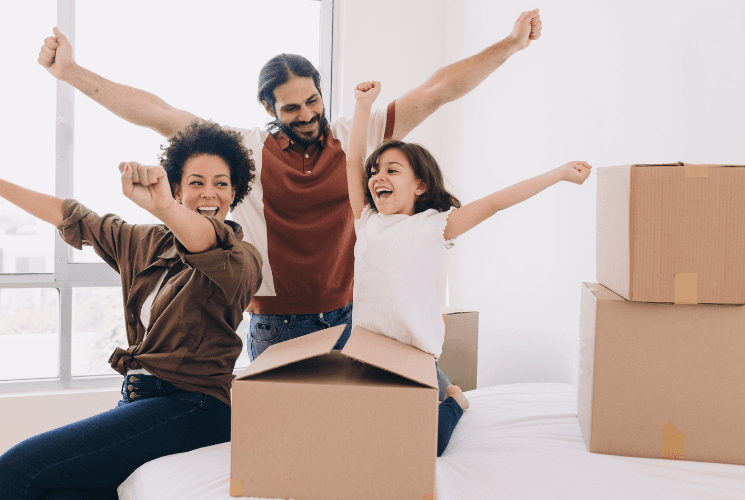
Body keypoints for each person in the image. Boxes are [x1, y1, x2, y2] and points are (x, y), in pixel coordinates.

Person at [36, 10, 544, 360]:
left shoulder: (354, 140)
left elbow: (436, 91)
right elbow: (159, 114)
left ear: (322, 93)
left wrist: (511, 44)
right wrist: (72, 72)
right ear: (268, 109)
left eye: (313, 101)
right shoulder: (248, 150)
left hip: (351, 317)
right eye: (291, 108)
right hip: (275, 328)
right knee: (286, 449)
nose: (307, 116)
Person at [0, 121, 261, 500]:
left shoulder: (242, 258)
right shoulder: (146, 242)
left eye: (221, 183)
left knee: (16, 468)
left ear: (235, 192)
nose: (209, 193)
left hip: (195, 406)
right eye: (196, 182)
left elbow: (206, 243)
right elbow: (73, 216)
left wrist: (164, 205)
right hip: (139, 399)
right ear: (179, 187)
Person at [345, 80, 591, 455]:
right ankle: (444, 386)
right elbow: (351, 160)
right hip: (370, 355)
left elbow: (496, 202)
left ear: (421, 185)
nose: (378, 176)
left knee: (426, 445)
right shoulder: (366, 220)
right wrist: (363, 107)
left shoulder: (434, 225)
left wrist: (558, 173)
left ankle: (454, 399)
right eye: (375, 170)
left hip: (414, 357)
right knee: (359, 436)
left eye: (393, 170)